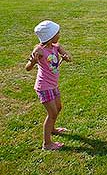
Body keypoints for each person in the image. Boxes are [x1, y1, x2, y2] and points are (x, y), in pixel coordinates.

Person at [25, 20, 71, 151]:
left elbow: (68, 56)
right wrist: (33, 62)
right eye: (57, 33)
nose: (59, 35)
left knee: (58, 107)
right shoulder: (39, 50)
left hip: (53, 85)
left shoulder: (56, 46)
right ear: (50, 36)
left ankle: (53, 129)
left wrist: (67, 57)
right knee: (52, 113)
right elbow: (27, 68)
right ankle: (47, 143)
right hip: (44, 86)